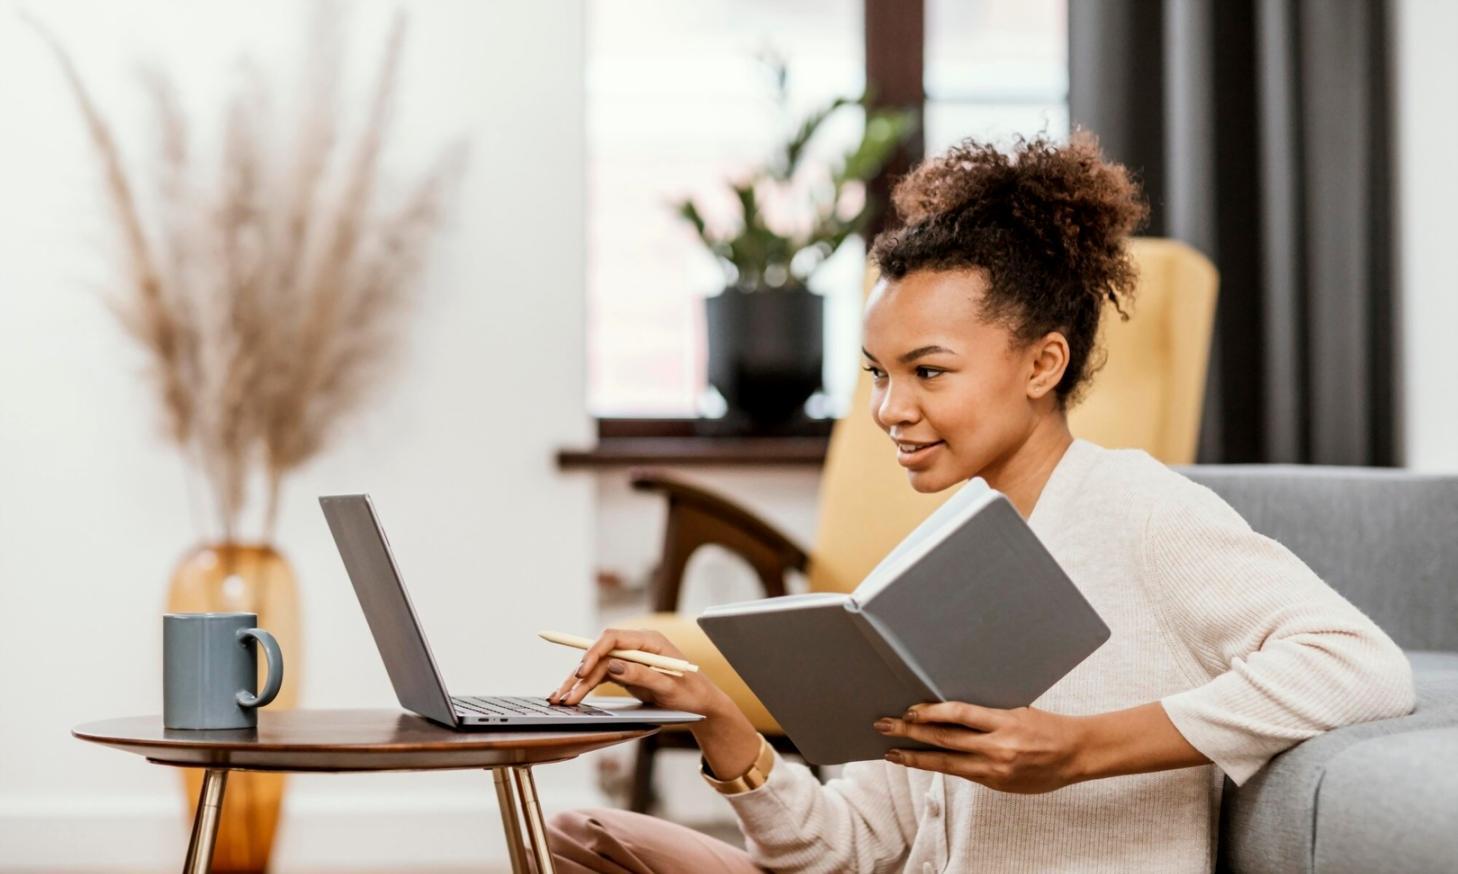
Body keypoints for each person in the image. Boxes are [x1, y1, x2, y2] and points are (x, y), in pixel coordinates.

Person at [542, 133, 1416, 873]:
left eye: (929, 372)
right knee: (573, 833)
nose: (891, 409)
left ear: (1044, 364)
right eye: (879, 377)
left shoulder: (1140, 510)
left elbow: (1361, 665)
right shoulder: (932, 562)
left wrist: (1082, 749)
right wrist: (717, 718)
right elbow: (843, 849)